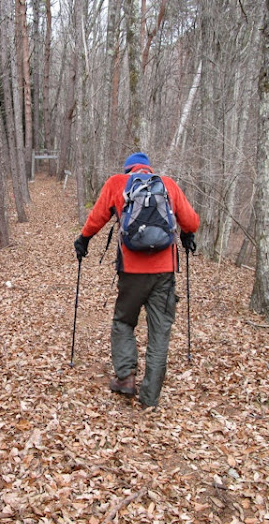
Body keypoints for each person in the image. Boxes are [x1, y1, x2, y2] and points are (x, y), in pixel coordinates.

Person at [74, 152, 199, 408]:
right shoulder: (167, 185)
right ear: (148, 168)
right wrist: (187, 234)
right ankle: (150, 397)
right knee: (160, 332)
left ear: (128, 169)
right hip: (164, 272)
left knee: (123, 321)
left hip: (131, 271)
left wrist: (84, 239)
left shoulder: (117, 184)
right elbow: (191, 221)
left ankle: (126, 377)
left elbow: (97, 217)